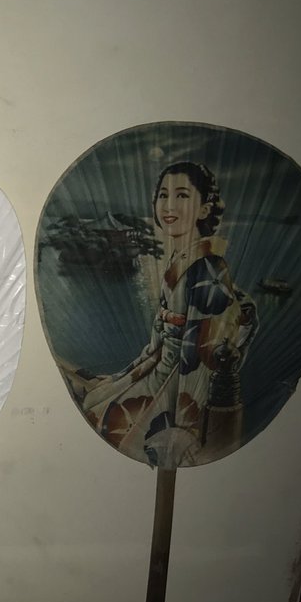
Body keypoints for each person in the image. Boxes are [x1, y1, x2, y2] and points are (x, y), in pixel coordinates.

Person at [70, 161, 257, 468]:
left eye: (182, 195)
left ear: (204, 209)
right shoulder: (183, 257)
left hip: (179, 380)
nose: (169, 205)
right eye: (163, 195)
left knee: (109, 418)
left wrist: (180, 415)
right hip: (161, 363)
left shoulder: (209, 267)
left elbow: (199, 355)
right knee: (95, 400)